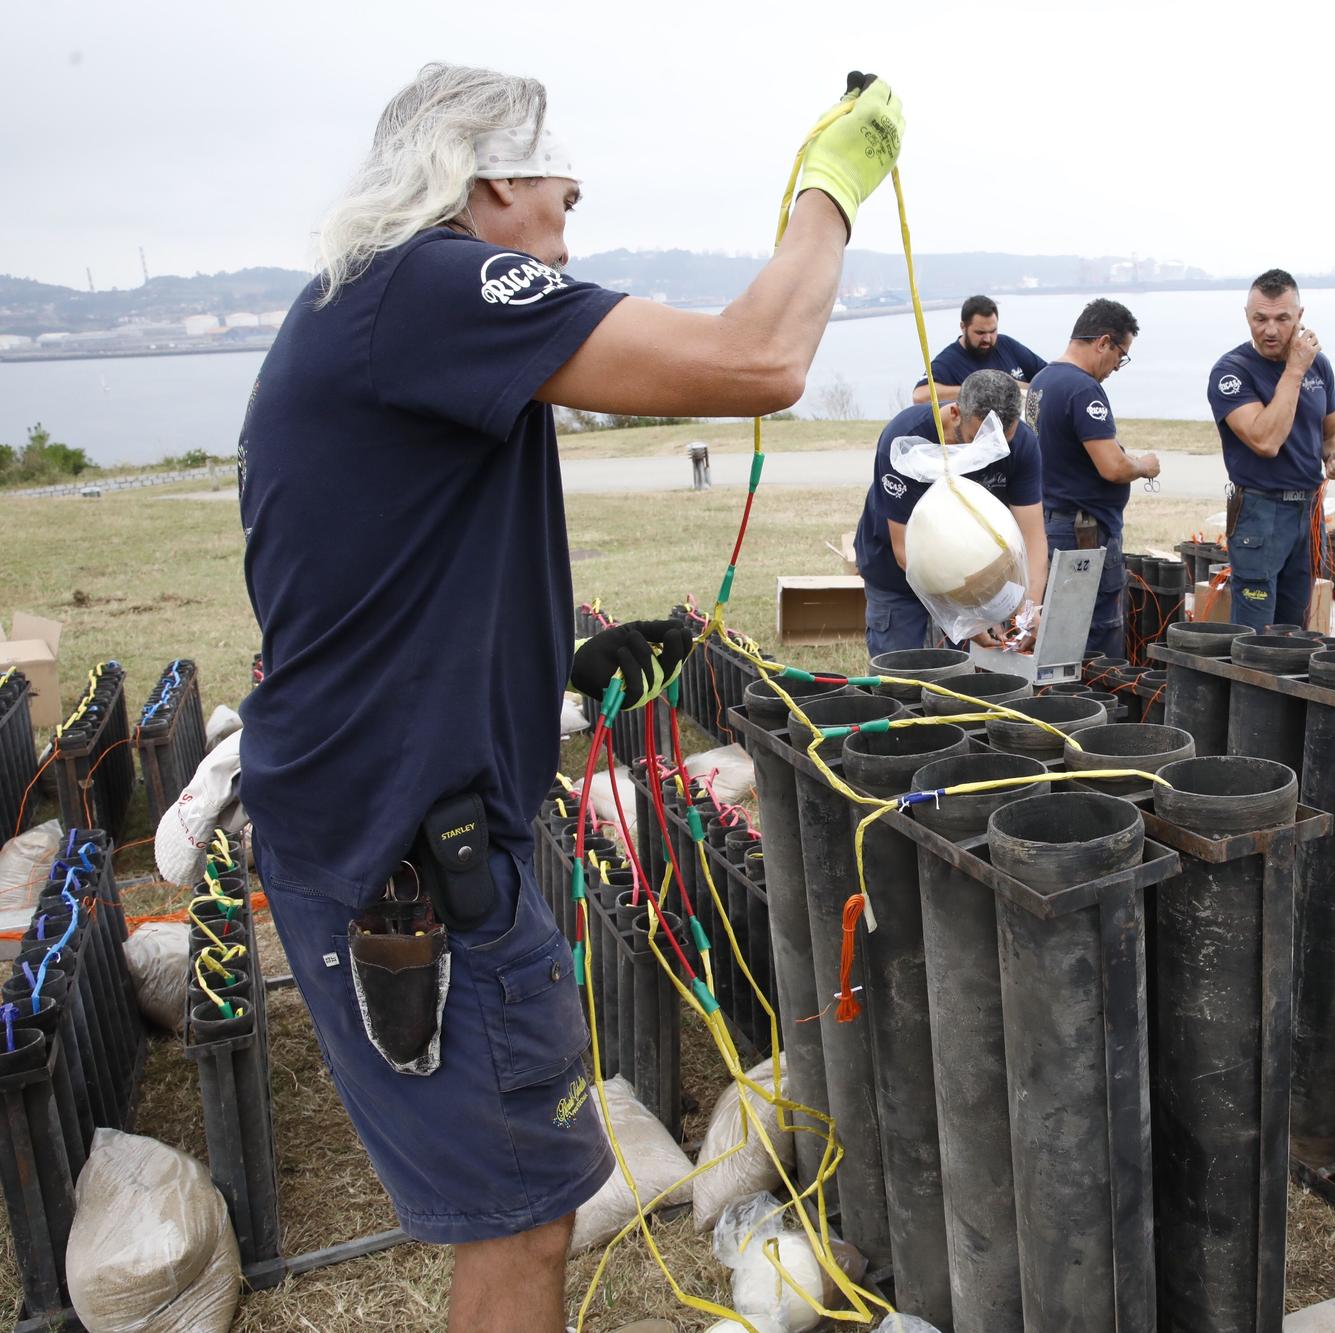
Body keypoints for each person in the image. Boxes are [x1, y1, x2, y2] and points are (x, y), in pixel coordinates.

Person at [236, 63, 903, 1333]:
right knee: (520, 1220)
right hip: (408, 863)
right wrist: (829, 191)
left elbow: (378, 567)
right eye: (563, 198)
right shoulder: (431, 283)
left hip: (376, 826)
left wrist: (549, 670)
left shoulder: (362, 308)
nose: (566, 237)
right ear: (488, 181)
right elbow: (759, 360)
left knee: (521, 1204)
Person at [855, 369, 1049, 656]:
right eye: (979, 440)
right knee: (903, 676)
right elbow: (904, 550)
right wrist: (970, 618)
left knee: (959, 687)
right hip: (899, 580)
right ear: (955, 413)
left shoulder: (1021, 444)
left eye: (999, 444)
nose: (988, 454)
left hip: (979, 579)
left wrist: (1027, 607)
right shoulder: (904, 440)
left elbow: (1033, 538)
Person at [1207, 269, 1335, 630]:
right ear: (1246, 316)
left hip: (1308, 508)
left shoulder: (1318, 365)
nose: (1270, 330)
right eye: (1260, 319)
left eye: (1282, 319)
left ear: (1299, 316)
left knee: (1294, 627)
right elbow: (1265, 440)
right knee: (1256, 632)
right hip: (1260, 510)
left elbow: (1333, 431)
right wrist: (1294, 370)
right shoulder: (1231, 372)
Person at [1032, 299, 1157, 658]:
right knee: (1096, 636)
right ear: (1103, 342)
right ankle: (1097, 706)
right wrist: (1143, 465)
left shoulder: (1043, 380)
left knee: (1058, 633)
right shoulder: (1083, 389)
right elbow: (1112, 467)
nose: (1117, 366)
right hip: (1084, 534)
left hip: (1052, 523)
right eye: (1120, 354)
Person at [911, 294, 1047, 403]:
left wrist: (1013, 387)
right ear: (963, 327)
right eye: (980, 333)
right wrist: (981, 389)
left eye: (993, 331)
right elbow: (920, 396)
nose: (987, 339)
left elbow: (1048, 377)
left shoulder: (1006, 345)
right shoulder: (949, 360)